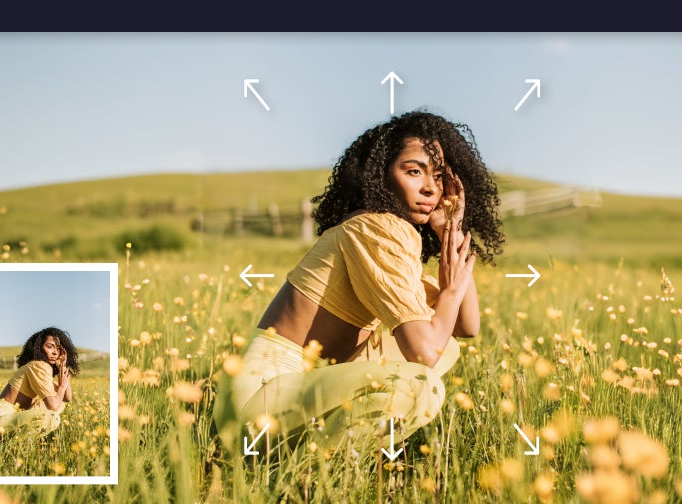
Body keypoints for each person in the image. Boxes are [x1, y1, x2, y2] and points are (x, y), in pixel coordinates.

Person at [214, 111, 504, 455]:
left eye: (439, 176)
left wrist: (449, 231)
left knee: (446, 348)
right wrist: (451, 289)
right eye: (414, 171)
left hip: (291, 392)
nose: (430, 187)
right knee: (419, 387)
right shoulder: (377, 229)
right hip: (261, 398)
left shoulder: (387, 235)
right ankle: (312, 476)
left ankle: (307, 461)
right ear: (381, 176)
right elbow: (425, 352)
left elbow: (464, 327)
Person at [0, 327, 79, 437]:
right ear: (39, 348)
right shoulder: (38, 366)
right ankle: (16, 447)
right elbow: (53, 406)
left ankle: (13, 440)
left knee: (60, 403)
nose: (55, 352)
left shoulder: (41, 369)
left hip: (10, 418)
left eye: (58, 349)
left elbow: (66, 398)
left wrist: (62, 367)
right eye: (49, 347)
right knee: (52, 417)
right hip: (1, 419)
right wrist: (62, 386)